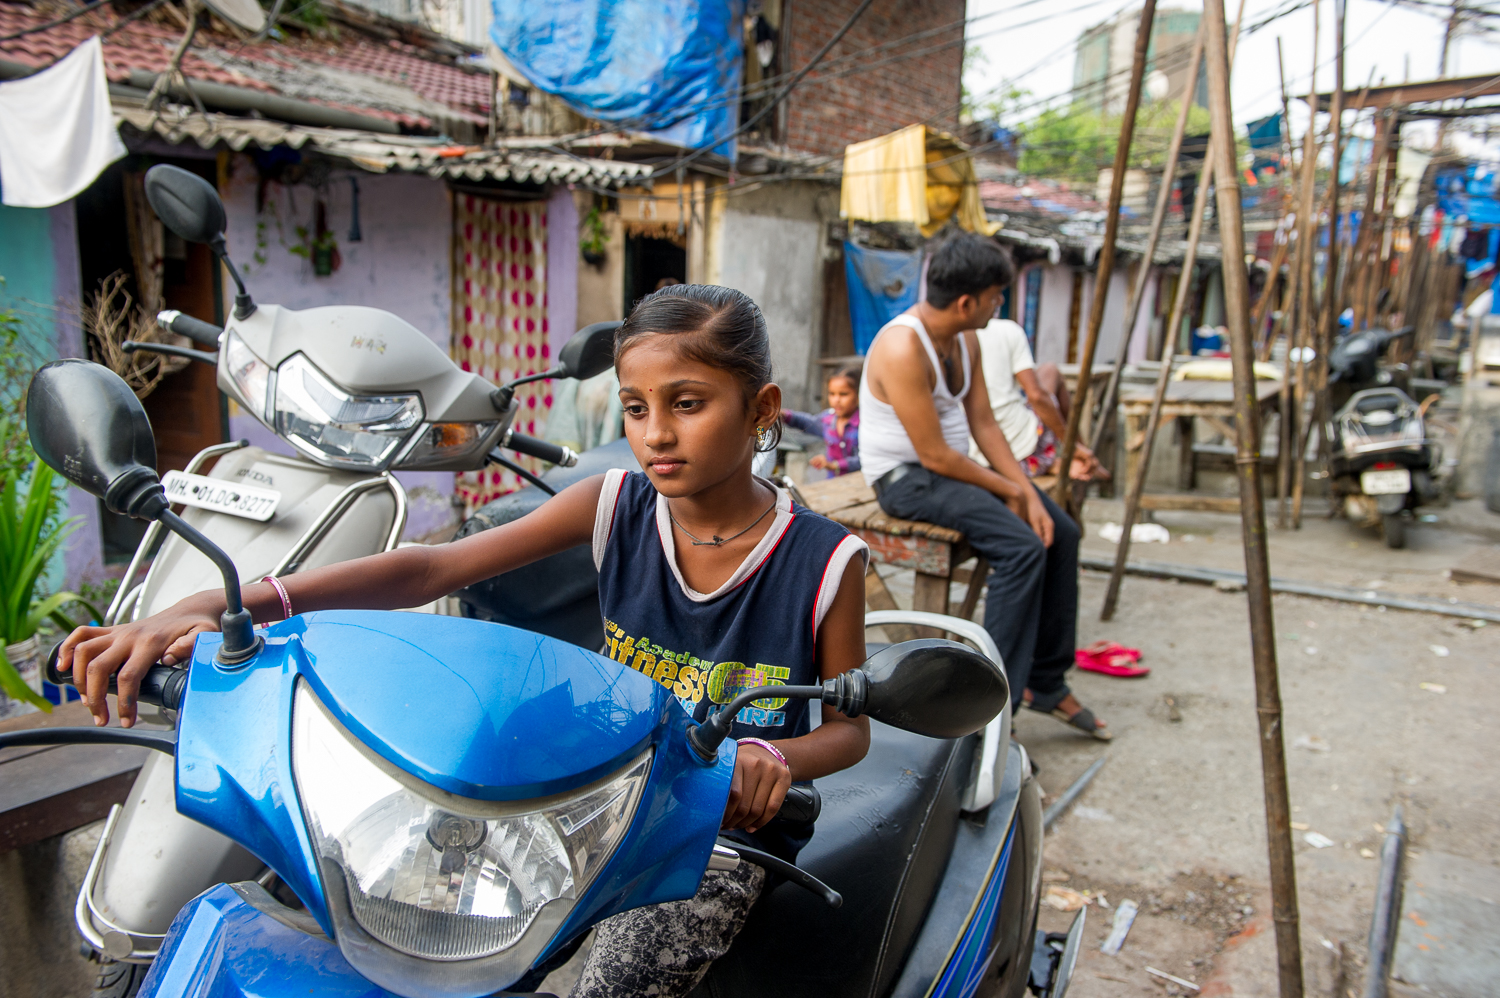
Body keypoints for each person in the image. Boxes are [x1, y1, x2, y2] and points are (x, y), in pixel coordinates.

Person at [58, 284, 873, 998]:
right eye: (635, 407)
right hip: (596, 794)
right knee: (424, 933)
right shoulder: (614, 503)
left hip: (712, 832)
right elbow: (430, 571)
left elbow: (850, 730)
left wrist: (772, 758)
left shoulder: (825, 561)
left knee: (617, 984)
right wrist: (225, 599)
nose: (655, 433)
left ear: (762, 409)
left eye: (687, 404)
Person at [858, 232, 1109, 740]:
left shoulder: (967, 338)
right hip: (905, 480)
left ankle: (1046, 683)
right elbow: (933, 454)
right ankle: (990, 710)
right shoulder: (903, 345)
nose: (1002, 304)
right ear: (969, 300)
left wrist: (1027, 491)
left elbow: (986, 425)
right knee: (1021, 548)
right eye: (998, 295)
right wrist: (1014, 494)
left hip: (952, 470)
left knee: (1061, 532)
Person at [968, 315, 1107, 482]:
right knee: (1050, 371)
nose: (1000, 300)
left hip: (974, 455)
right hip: (1017, 457)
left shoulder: (953, 337)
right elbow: (1036, 396)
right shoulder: (1007, 330)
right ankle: (1080, 455)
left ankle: (1071, 457)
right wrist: (1071, 445)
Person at [782, 366, 861, 476]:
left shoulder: (864, 424)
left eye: (843, 394)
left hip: (860, 487)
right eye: (832, 394)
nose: (836, 400)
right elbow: (807, 422)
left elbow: (866, 459)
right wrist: (784, 415)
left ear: (858, 394)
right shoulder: (827, 419)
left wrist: (833, 465)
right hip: (833, 484)